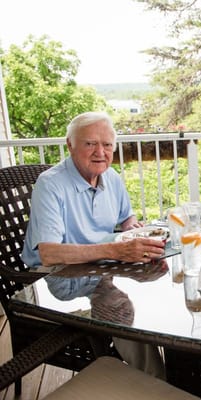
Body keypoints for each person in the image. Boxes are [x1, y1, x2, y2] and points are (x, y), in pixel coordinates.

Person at [21, 111, 166, 379]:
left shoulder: (111, 177)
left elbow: (127, 217)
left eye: (107, 144)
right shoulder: (51, 184)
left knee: (160, 295)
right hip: (59, 277)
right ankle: (156, 385)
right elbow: (49, 253)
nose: (101, 152)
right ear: (70, 145)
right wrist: (117, 251)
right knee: (130, 318)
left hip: (102, 267)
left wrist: (132, 229)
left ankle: (178, 372)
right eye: (90, 144)